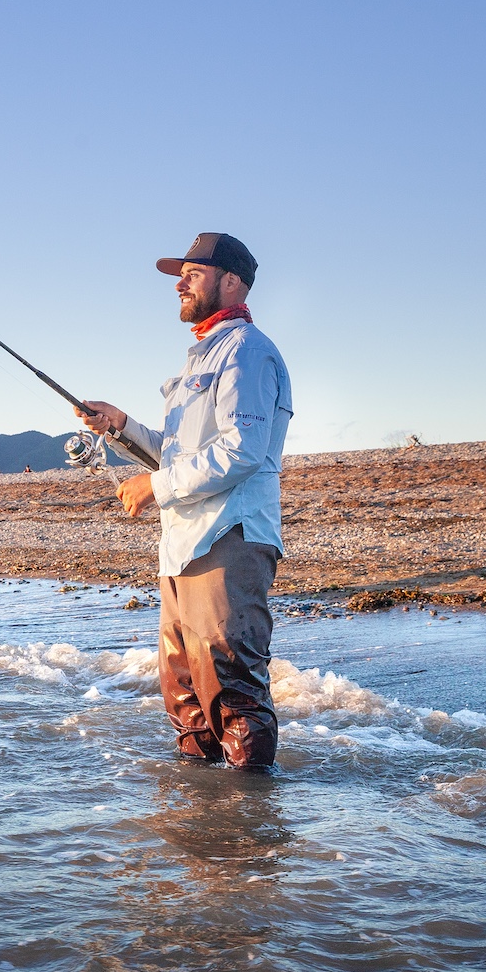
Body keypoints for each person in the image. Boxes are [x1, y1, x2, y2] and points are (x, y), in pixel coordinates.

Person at [77, 232, 293, 769]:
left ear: (231, 282)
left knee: (234, 694)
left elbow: (243, 450)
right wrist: (123, 428)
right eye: (181, 273)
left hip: (228, 538)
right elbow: (179, 453)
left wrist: (156, 486)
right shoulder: (203, 355)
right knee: (187, 702)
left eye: (193, 272)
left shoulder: (247, 350)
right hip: (183, 545)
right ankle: (198, 823)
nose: (180, 282)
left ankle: (249, 832)